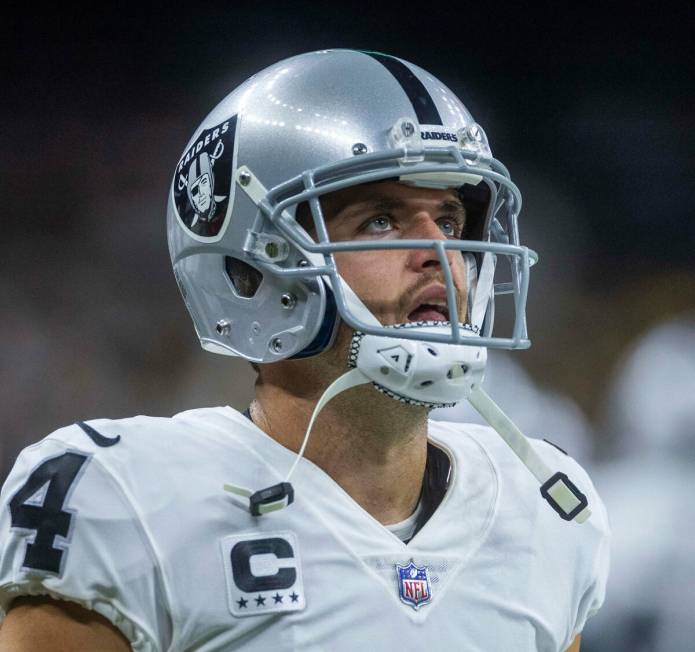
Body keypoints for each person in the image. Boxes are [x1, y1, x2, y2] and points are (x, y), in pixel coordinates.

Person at [0, 49, 610, 651]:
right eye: (381, 220)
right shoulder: (124, 497)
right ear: (253, 270)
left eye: (450, 221)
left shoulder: (542, 506)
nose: (441, 256)